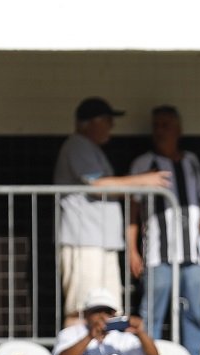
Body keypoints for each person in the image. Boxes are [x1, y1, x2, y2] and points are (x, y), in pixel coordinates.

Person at [53, 97, 171, 325]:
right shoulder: (77, 144)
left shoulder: (92, 149)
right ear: (90, 123)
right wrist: (144, 180)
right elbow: (98, 186)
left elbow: (109, 188)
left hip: (102, 242)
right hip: (83, 242)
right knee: (80, 309)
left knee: (109, 310)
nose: (111, 126)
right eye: (106, 120)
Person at [127, 105, 200, 355]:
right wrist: (132, 250)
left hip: (192, 253)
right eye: (156, 125)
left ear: (178, 129)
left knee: (193, 312)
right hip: (157, 254)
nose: (159, 131)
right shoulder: (144, 163)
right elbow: (132, 210)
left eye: (165, 125)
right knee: (151, 312)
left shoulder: (191, 162)